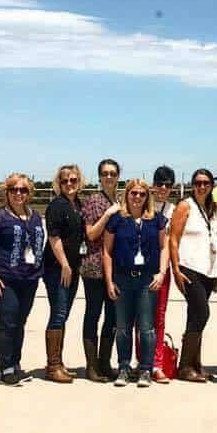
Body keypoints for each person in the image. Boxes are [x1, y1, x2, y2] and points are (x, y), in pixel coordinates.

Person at [103, 178, 169, 388]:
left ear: (147, 196)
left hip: (147, 280)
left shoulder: (156, 219)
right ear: (127, 195)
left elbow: (164, 247)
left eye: (142, 194)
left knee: (147, 328)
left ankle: (146, 369)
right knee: (122, 327)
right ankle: (123, 367)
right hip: (123, 278)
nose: (137, 197)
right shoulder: (117, 219)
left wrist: (161, 273)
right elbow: (107, 251)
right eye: (134, 193)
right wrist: (109, 280)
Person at [0, 174, 45, 385]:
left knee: (20, 321)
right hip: (4, 278)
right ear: (6, 192)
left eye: (23, 190)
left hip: (29, 279)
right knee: (7, 321)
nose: (19, 193)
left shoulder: (35, 217)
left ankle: (16, 364)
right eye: (14, 189)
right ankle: (5, 368)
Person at [171, 168, 217, 383]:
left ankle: (195, 364)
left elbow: (214, 239)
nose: (202, 187)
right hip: (189, 268)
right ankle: (184, 366)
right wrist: (176, 270)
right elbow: (173, 239)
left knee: (195, 316)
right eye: (198, 183)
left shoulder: (212, 208)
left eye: (206, 183)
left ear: (211, 186)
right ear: (193, 185)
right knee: (202, 313)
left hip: (208, 270)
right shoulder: (185, 206)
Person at [43, 164, 87, 383]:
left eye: (73, 180)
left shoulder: (77, 205)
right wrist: (65, 265)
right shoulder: (57, 206)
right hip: (57, 269)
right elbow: (54, 237)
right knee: (58, 313)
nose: (69, 184)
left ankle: (58, 361)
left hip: (73, 267)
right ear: (58, 184)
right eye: (65, 181)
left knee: (64, 314)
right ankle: (53, 366)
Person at [81, 158, 121, 381]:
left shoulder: (120, 200)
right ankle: (92, 365)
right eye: (105, 173)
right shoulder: (93, 201)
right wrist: (108, 215)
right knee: (93, 315)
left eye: (112, 173)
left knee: (113, 318)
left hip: (115, 268)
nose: (109, 177)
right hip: (95, 267)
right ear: (99, 176)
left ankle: (105, 362)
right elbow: (91, 234)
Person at [149, 165, 177, 382]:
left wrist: (164, 269)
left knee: (159, 317)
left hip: (162, 270)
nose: (163, 188)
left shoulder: (173, 210)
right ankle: (140, 361)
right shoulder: (142, 203)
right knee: (139, 319)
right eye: (159, 184)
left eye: (168, 185)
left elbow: (173, 241)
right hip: (139, 269)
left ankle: (157, 364)